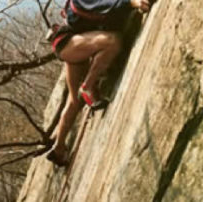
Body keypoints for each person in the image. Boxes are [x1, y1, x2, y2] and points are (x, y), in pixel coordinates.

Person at [46, 0, 151, 166]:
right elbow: (103, 6)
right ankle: (88, 86)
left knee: (73, 101)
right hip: (71, 44)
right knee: (112, 41)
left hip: (72, 45)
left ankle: (58, 148)